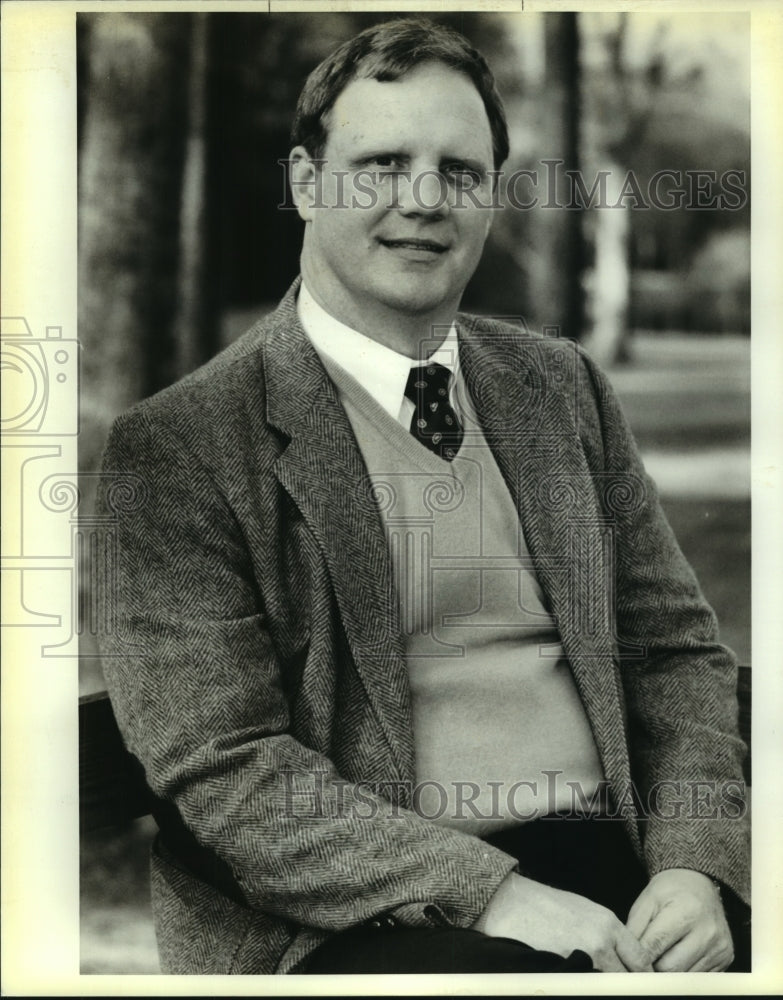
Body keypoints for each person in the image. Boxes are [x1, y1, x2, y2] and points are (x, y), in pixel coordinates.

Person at [96, 17, 750, 976]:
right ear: (305, 182)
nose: (422, 200)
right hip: (363, 913)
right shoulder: (181, 448)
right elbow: (227, 773)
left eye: (459, 170)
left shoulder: (556, 386)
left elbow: (674, 653)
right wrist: (490, 894)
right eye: (382, 163)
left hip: (624, 866)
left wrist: (696, 868)